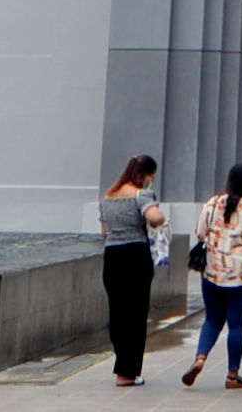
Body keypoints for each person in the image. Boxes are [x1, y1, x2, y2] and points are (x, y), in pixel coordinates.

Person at [185, 163, 242, 391]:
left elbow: (200, 234)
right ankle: (232, 375)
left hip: (212, 273)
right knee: (237, 324)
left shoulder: (212, 204)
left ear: (229, 182)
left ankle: (200, 358)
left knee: (212, 320)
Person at [101, 153, 168, 385]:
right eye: (152, 177)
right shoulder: (142, 195)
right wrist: (159, 218)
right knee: (135, 314)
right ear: (145, 175)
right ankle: (126, 373)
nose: (151, 182)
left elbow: (104, 230)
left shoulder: (108, 196)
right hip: (135, 256)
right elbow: (155, 217)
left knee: (118, 312)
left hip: (112, 256)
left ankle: (122, 362)